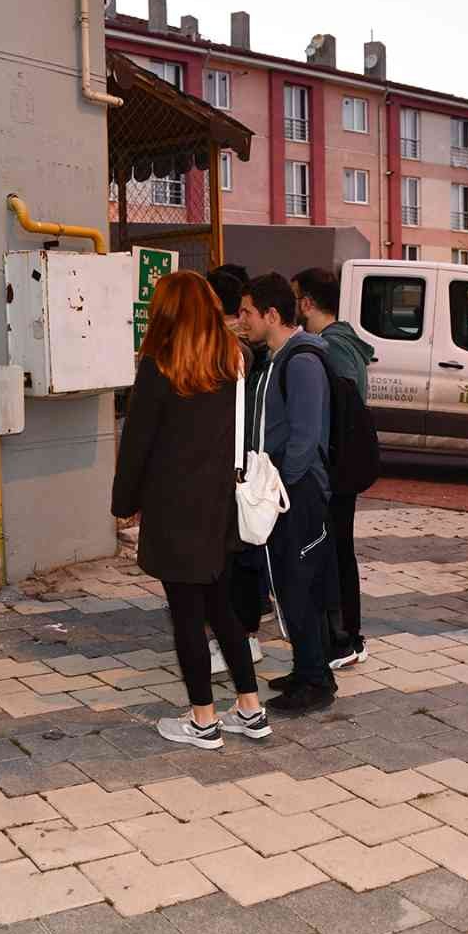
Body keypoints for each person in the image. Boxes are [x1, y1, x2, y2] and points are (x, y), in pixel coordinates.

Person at [112, 271, 270, 749]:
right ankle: (250, 708)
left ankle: (203, 719)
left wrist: (124, 503)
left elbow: (137, 445)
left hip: (173, 509)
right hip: (219, 505)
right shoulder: (235, 362)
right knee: (220, 608)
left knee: (186, 613)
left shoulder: (159, 368)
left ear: (166, 314)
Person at [239, 273, 337, 714]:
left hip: (295, 495)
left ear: (271, 314)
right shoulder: (275, 359)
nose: (241, 321)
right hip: (281, 493)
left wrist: (281, 487)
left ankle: (316, 682)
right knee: (289, 585)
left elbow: (304, 437)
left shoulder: (301, 362)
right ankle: (307, 669)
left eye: (246, 313)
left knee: (298, 587)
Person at [292, 266, 375, 670]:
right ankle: (347, 635)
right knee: (340, 550)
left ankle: (346, 638)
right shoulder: (343, 340)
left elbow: (337, 413)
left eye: (295, 298)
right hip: (343, 465)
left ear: (307, 302)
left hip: (337, 468)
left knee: (338, 553)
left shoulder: (332, 347)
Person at [204, 265, 267, 675]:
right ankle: (242, 633)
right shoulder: (238, 346)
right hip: (236, 461)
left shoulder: (230, 351)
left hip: (233, 465)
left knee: (234, 557)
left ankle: (241, 637)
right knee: (237, 554)